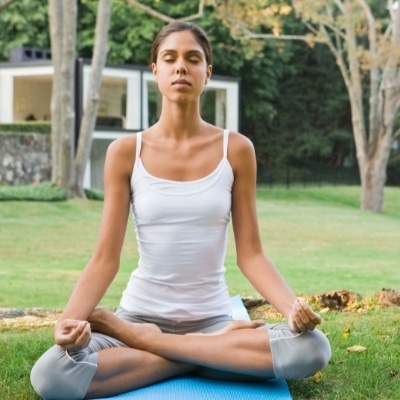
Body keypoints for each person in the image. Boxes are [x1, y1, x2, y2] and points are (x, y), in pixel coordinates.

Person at [31, 21, 331, 400]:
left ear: (207, 72)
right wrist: (68, 322)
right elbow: (105, 259)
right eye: (169, 58)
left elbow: (251, 255)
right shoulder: (125, 152)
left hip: (211, 320)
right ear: (155, 70)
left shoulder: (236, 150)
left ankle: (156, 346)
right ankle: (209, 355)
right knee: (52, 374)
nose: (180, 67)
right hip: (139, 314)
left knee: (312, 347)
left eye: (193, 59)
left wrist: (292, 309)